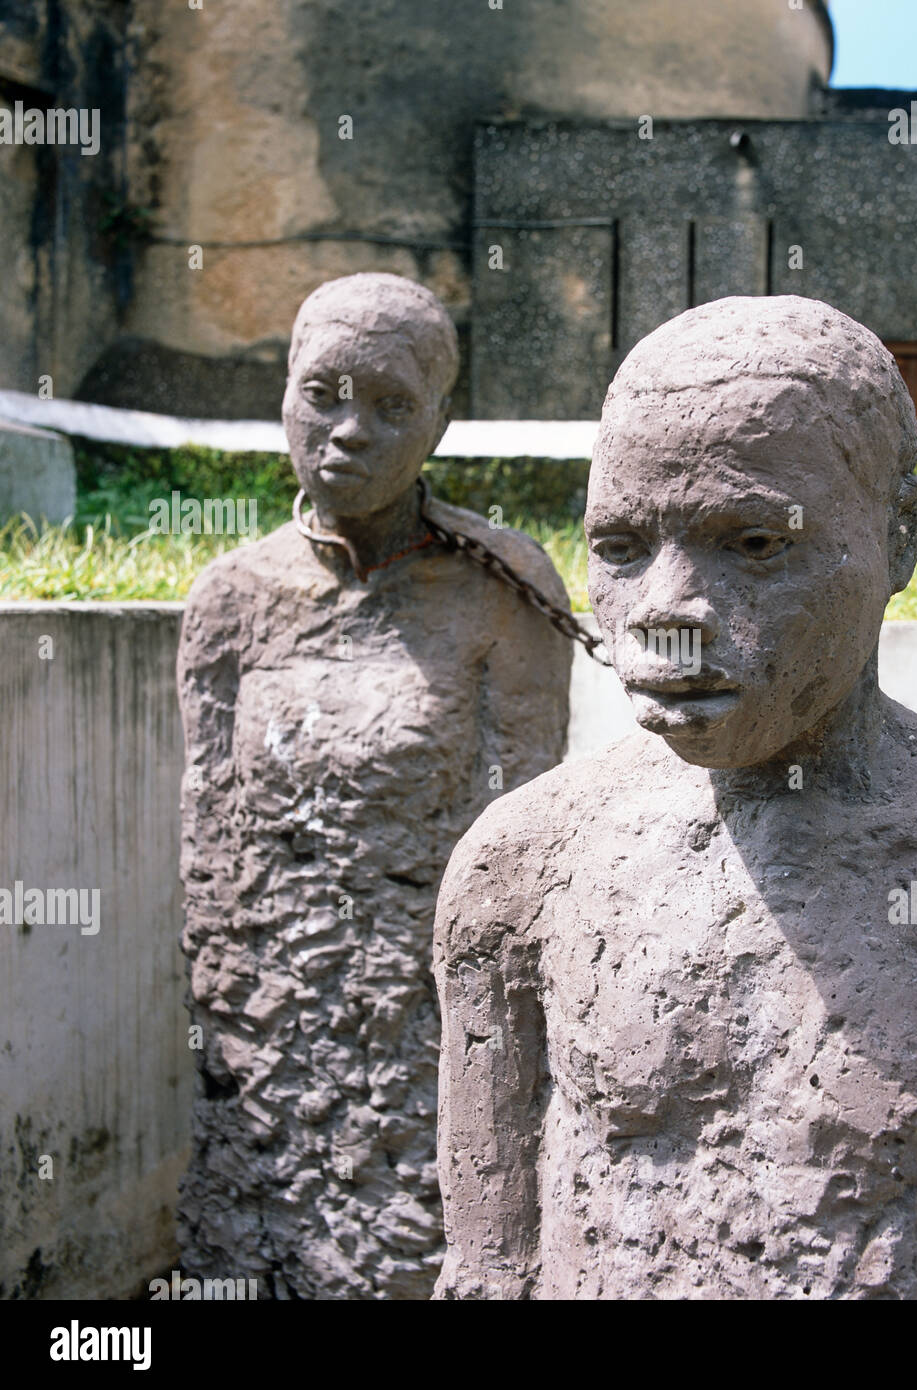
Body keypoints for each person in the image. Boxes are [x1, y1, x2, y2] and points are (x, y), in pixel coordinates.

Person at [433, 295, 917, 1300]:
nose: (663, 614)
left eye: (751, 545)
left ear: (903, 533)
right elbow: (487, 1271)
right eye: (619, 546)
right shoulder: (517, 876)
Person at [177, 273, 570, 1297]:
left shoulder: (502, 591)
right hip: (270, 1026)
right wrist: (230, 1028)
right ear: (285, 396)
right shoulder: (228, 602)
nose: (351, 430)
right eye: (325, 393)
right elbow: (210, 849)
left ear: (440, 421)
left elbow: (526, 850)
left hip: (426, 1026)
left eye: (393, 404)